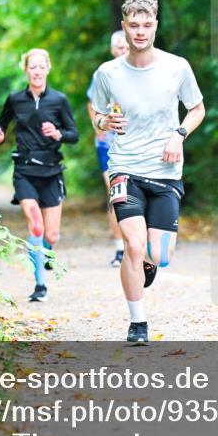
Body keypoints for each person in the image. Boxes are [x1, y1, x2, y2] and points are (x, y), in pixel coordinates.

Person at [90, 0, 205, 344]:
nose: (140, 31)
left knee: (159, 255)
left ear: (156, 25)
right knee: (134, 247)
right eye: (133, 25)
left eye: (147, 24)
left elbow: (197, 109)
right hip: (124, 167)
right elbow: (95, 115)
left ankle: (149, 266)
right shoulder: (107, 73)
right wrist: (104, 121)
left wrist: (179, 134)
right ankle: (137, 322)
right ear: (124, 27)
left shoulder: (177, 67)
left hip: (166, 171)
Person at [0, 48, 79, 301]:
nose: (37, 71)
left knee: (51, 235)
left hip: (52, 171)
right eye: (33, 67)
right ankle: (40, 285)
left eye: (41, 66)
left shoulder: (59, 100)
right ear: (26, 70)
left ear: (48, 69)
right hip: (25, 171)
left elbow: (74, 135)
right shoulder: (15, 99)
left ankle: (46, 252)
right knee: (36, 227)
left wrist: (58, 134)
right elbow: (1, 123)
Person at [87, 31, 131, 267]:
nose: (123, 50)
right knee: (116, 192)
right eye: (119, 47)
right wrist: (99, 128)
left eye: (126, 46)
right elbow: (91, 105)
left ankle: (135, 244)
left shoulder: (140, 72)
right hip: (108, 144)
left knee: (136, 194)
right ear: (113, 50)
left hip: (135, 144)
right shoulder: (102, 74)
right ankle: (119, 248)